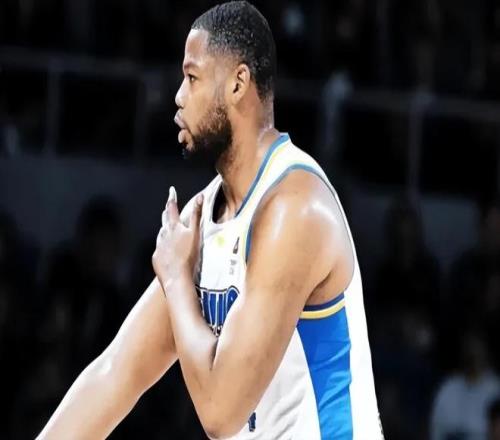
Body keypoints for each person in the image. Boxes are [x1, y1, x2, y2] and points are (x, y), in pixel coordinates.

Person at [37, 2, 382, 438]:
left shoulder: (295, 209)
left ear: (238, 83)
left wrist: (177, 278)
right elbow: (117, 373)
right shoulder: (206, 216)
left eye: (192, 77)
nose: (179, 96)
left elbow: (221, 413)